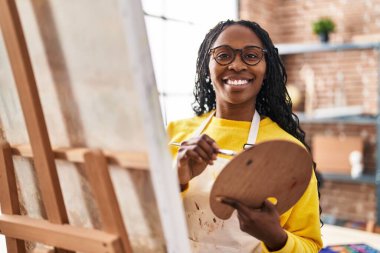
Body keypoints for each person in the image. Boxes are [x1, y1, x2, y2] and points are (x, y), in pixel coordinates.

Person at [167, 20, 322, 253]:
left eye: (251, 56)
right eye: (223, 55)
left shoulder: (288, 150)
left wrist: (276, 238)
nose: (237, 65)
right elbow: (137, 218)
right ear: (205, 66)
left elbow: (310, 245)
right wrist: (176, 179)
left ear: (266, 69)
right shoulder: (173, 135)